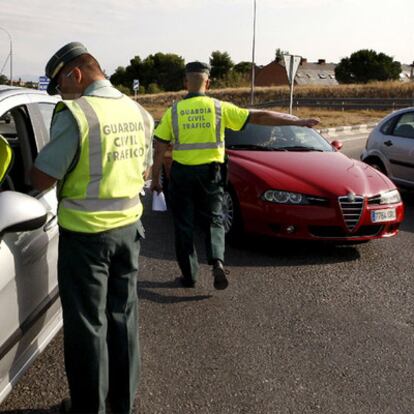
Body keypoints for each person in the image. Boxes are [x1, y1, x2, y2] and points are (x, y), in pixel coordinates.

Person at [30, 42, 154, 414]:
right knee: (123, 317)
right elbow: (144, 171)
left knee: (87, 328)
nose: (62, 93)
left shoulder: (78, 113)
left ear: (76, 74)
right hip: (129, 231)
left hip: (86, 238)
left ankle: (88, 408)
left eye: (61, 85)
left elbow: (41, 177)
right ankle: (121, 404)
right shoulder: (139, 112)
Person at [151, 61, 319, 290]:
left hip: (182, 175)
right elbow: (259, 116)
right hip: (211, 174)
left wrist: (156, 181)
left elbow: (159, 148)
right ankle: (217, 262)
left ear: (185, 82)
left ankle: (189, 276)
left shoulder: (174, 112)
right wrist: (297, 122)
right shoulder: (220, 108)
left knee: (184, 225)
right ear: (208, 83)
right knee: (214, 219)